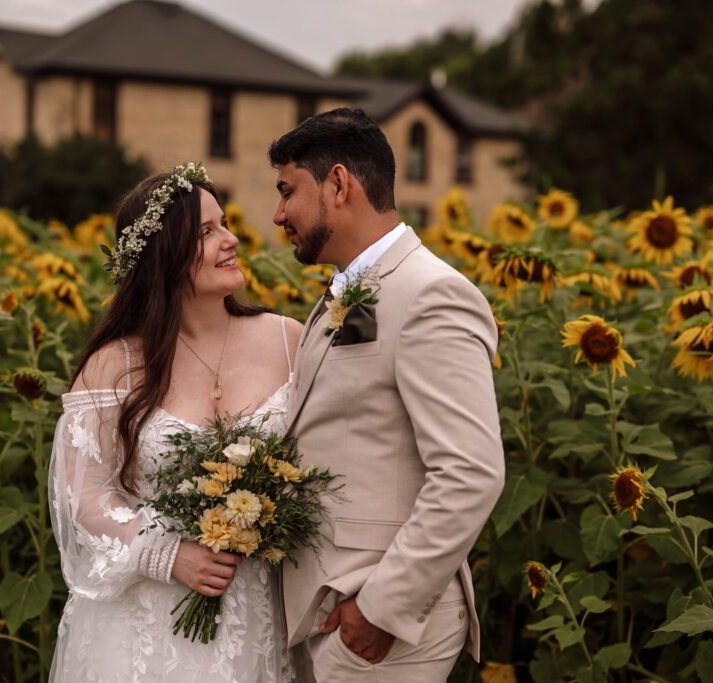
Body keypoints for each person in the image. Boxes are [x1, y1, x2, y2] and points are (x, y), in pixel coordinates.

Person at [269, 108, 505, 682]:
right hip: (330, 611)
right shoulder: (347, 291)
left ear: (339, 184)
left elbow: (471, 472)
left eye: (286, 191)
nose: (278, 215)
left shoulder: (432, 295)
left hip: (382, 625)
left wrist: (380, 608)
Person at [47, 163, 302, 682]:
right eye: (207, 233)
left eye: (224, 223)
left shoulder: (289, 340)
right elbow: (83, 495)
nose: (230, 240)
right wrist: (165, 555)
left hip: (258, 606)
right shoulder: (114, 364)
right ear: (164, 257)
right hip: (148, 624)